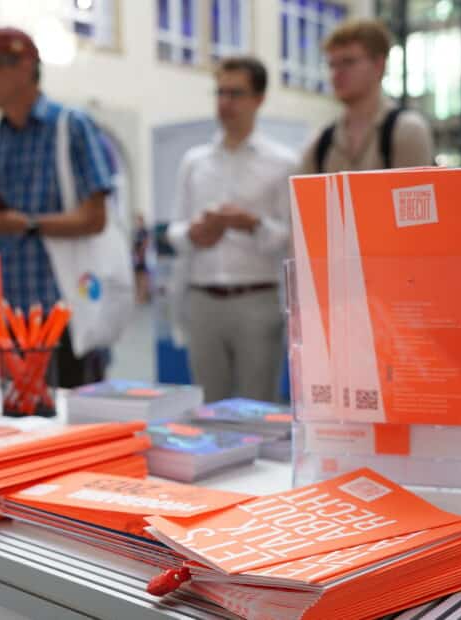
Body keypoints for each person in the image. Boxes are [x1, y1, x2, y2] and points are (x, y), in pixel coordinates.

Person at [0, 27, 114, 388]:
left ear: (24, 66)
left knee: (72, 426)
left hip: (66, 310)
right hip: (8, 313)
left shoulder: (71, 127)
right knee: (20, 422)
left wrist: (28, 224)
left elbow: (95, 218)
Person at [167, 56, 294, 403]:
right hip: (202, 298)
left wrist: (250, 223)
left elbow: (291, 238)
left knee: (258, 407)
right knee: (208, 408)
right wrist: (193, 232)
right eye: (220, 93)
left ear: (259, 98)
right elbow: (173, 232)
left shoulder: (282, 163)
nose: (225, 103)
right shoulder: (194, 161)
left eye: (236, 93)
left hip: (256, 299)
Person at [298, 19, 434, 174]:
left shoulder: (407, 131)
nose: (336, 73)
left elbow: (415, 193)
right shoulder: (320, 144)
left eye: (348, 62)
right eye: (332, 65)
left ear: (379, 65)